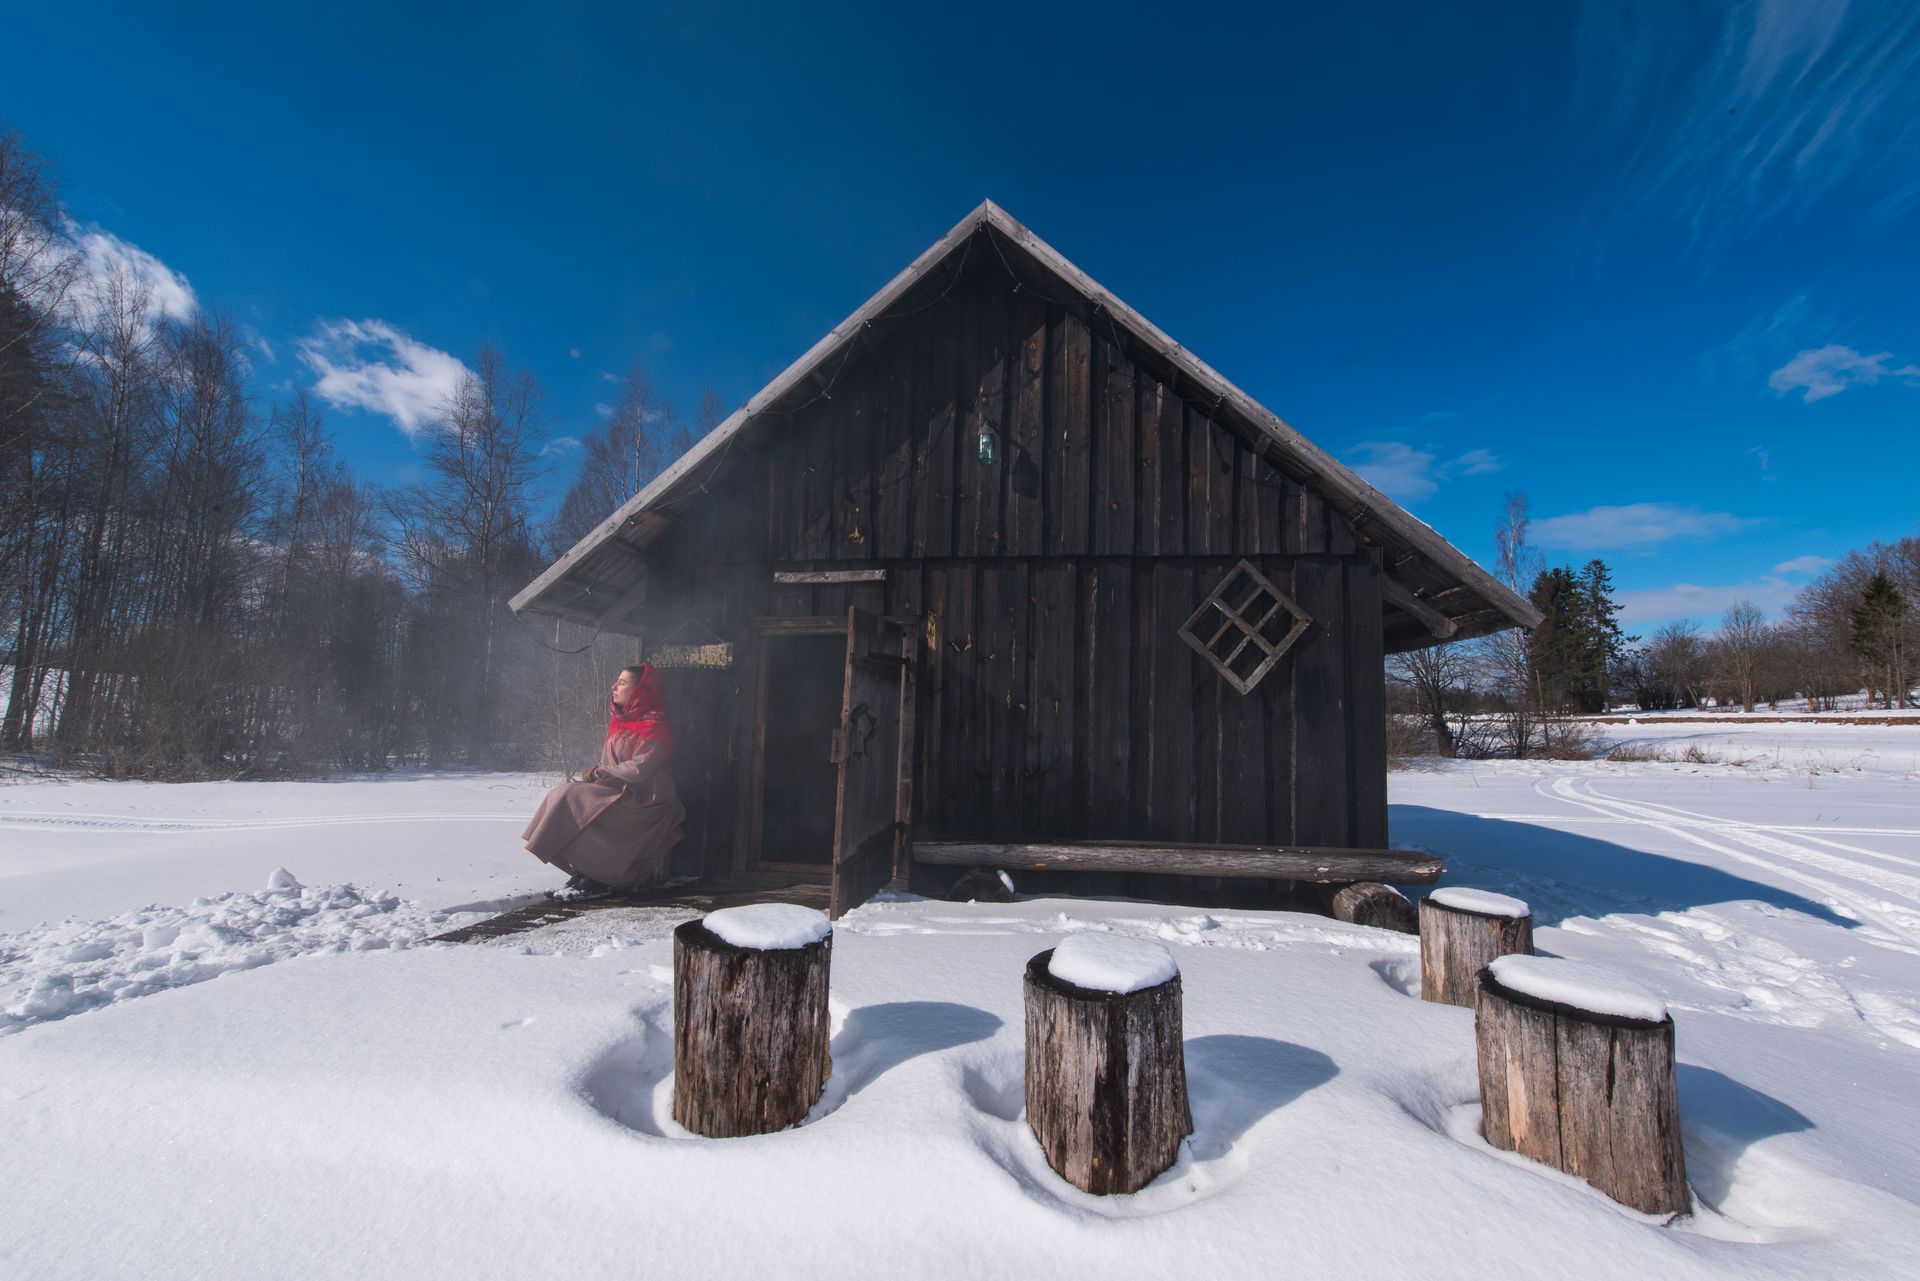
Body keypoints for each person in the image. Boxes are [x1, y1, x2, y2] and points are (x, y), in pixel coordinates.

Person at [523, 663, 686, 900]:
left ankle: (598, 878)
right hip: (617, 788)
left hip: (645, 796)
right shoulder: (619, 723)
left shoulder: (655, 726)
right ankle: (585, 872)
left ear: (640, 690)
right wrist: (600, 775)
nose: (614, 686)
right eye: (616, 681)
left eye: (622, 682)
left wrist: (601, 772)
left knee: (576, 796)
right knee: (566, 793)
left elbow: (641, 768)